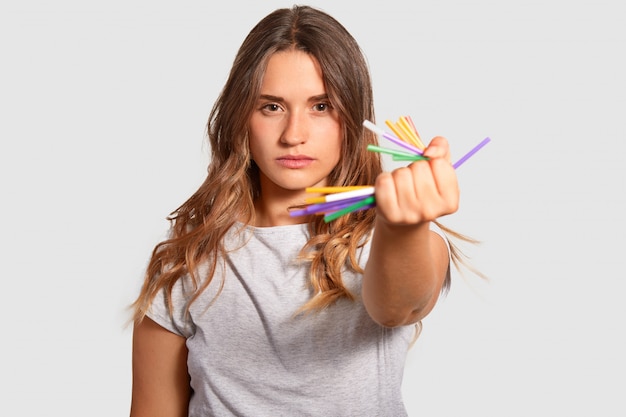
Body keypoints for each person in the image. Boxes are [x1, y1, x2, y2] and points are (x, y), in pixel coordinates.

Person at [129, 5, 473, 417]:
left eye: (321, 106)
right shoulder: (187, 261)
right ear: (241, 117)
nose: (294, 135)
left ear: (353, 119)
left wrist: (403, 227)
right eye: (271, 107)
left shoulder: (386, 243)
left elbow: (401, 305)